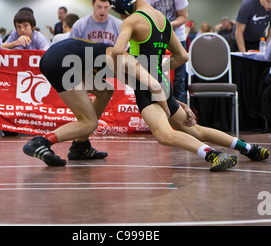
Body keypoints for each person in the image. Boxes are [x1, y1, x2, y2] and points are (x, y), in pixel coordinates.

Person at [109, 0, 269, 171]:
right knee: (195, 130)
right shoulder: (162, 19)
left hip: (148, 87)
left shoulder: (132, 21)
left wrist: (139, 69)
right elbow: (182, 56)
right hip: (161, 82)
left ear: (122, 3)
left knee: (164, 135)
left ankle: (213, 155)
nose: (119, 15)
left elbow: (117, 51)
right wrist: (157, 67)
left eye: (116, 9)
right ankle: (248, 148)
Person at [22, 38, 165, 166]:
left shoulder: (117, 60)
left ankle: (80, 146)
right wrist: (170, 107)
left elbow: (142, 88)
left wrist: (175, 103)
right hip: (61, 62)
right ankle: (41, 142)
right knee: (89, 122)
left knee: (105, 91)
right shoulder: (126, 61)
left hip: (63, 58)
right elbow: (151, 87)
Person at [139, 0, 189, 103]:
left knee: (179, 78)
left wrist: (166, 26)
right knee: (151, 75)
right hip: (151, 39)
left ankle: (182, 116)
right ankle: (154, 108)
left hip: (176, 36)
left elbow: (183, 17)